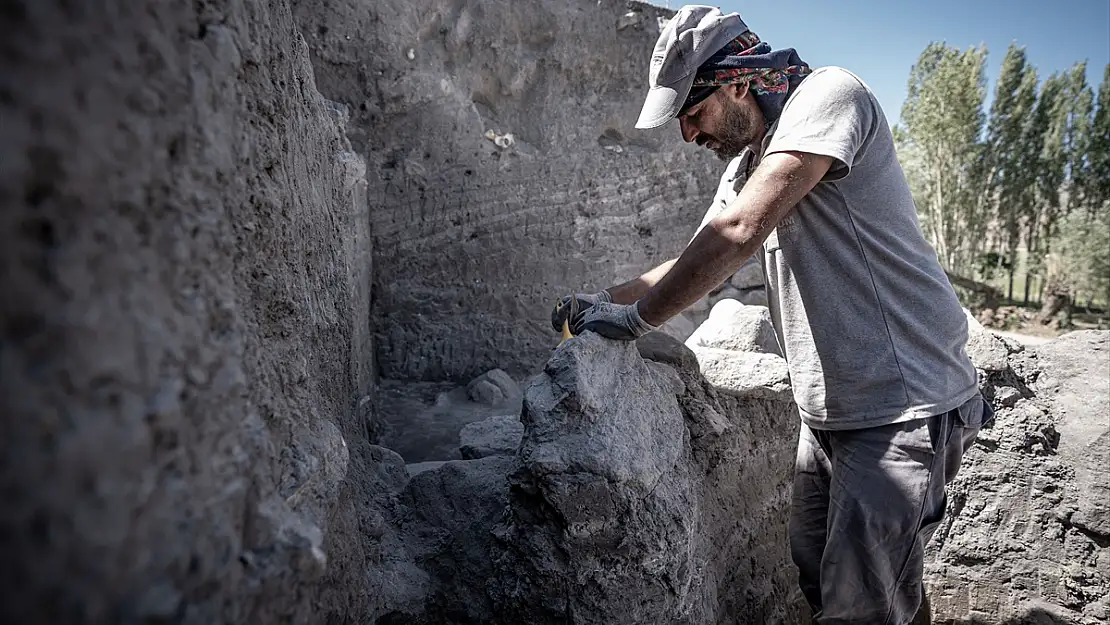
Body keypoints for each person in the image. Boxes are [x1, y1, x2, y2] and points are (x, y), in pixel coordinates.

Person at [549, 5, 992, 625]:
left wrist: (636, 323)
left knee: (860, 603)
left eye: (692, 114)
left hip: (902, 402)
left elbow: (738, 231)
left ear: (736, 81)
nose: (689, 137)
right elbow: (694, 255)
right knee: (831, 574)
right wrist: (605, 301)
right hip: (832, 409)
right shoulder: (752, 160)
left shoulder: (830, 96)